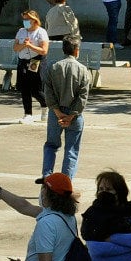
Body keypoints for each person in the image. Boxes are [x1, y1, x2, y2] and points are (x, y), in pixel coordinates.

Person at [41, 36, 90, 179]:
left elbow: (48, 92)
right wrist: (71, 115)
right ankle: (66, 182)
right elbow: (83, 96)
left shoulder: (53, 66)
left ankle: (46, 176)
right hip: (74, 114)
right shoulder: (82, 70)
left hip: (55, 112)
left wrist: (57, 112)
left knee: (51, 145)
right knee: (71, 149)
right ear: (76, 51)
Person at [12, 8, 49, 122]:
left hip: (36, 61)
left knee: (36, 90)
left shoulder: (41, 32)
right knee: (24, 89)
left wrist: (30, 46)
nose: (26, 21)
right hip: (23, 61)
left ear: (34, 20)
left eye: (28, 19)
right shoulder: (21, 31)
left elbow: (44, 50)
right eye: (24, 19)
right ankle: (27, 113)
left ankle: (46, 105)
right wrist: (24, 44)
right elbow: (15, 47)